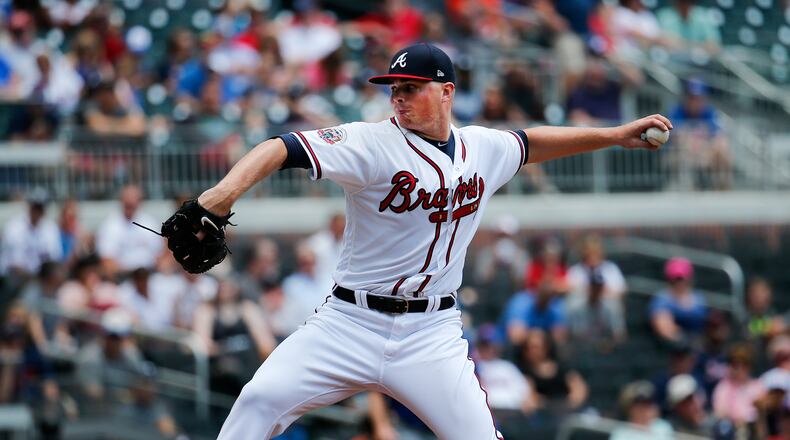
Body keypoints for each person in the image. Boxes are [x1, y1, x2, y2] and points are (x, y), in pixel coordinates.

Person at [186, 43, 671, 439]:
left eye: (412, 88)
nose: (399, 97)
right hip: (347, 323)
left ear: (446, 91)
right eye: (395, 89)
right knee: (256, 403)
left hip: (430, 334)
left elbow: (532, 142)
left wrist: (614, 135)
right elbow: (281, 147)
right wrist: (220, 196)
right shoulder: (372, 142)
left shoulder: (482, 148)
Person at [650, 257, 708, 347]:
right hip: (673, 350)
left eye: (682, 278)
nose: (680, 282)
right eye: (676, 279)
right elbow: (665, 330)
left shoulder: (699, 298)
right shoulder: (662, 299)